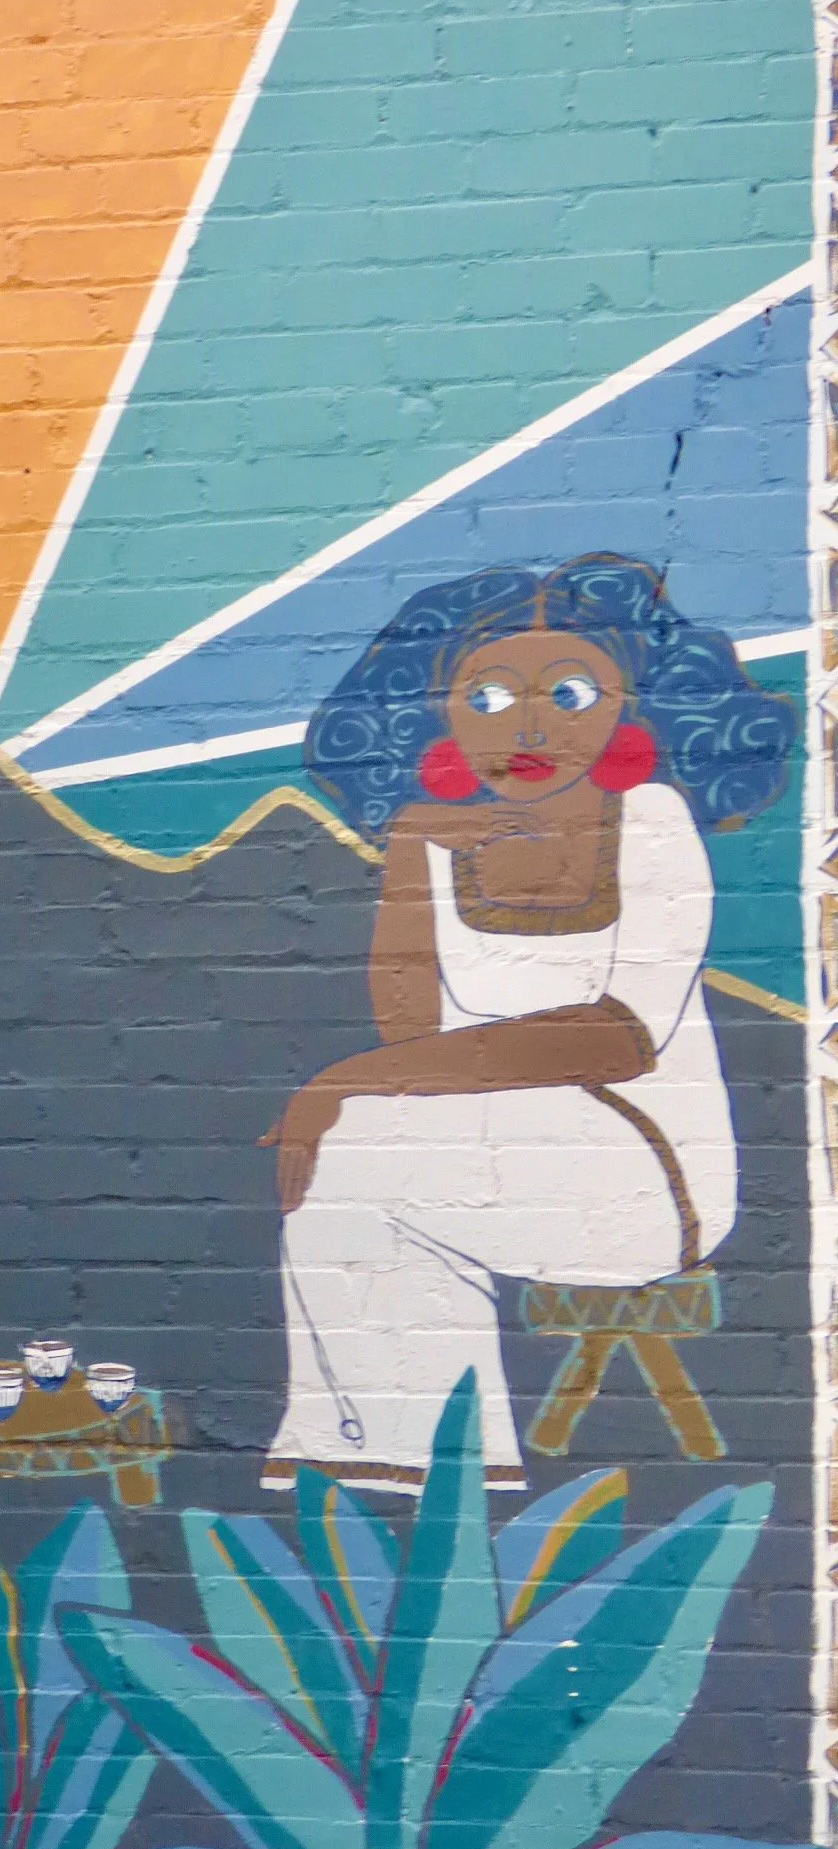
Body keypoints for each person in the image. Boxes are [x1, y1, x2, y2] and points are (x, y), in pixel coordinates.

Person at [260, 552, 796, 1494]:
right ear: (443, 716)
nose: (531, 725)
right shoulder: (436, 840)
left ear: (629, 711)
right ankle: (400, 1459)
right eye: (491, 696)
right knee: (358, 1157)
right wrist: (413, 857)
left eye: (572, 692)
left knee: (359, 1141)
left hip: (649, 1162)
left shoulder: (652, 821)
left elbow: (622, 1034)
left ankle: (417, 1462)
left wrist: (340, 1086)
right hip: (489, 1146)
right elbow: (408, 1036)